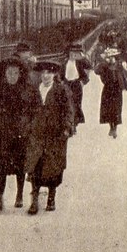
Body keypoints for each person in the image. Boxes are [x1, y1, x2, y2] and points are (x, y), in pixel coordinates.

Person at [0, 56, 38, 212]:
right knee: (1, 165)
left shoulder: (28, 89)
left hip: (21, 132)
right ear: (4, 73)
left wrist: (33, 128)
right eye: (9, 73)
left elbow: (36, 110)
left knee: (20, 164)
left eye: (15, 73)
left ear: (20, 73)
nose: (12, 76)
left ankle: (19, 195)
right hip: (3, 132)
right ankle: (0, 197)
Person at [24, 60, 75, 213]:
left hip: (55, 135)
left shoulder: (61, 90)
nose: (45, 76)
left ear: (54, 74)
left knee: (53, 166)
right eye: (43, 73)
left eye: (49, 73)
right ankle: (34, 200)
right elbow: (27, 111)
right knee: (35, 165)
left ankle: (51, 197)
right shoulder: (34, 91)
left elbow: (68, 111)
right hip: (37, 134)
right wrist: (27, 127)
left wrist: (67, 127)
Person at [96, 49, 127, 138]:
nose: (111, 59)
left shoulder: (119, 65)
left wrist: (120, 69)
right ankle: (111, 127)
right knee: (109, 109)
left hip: (117, 89)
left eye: (113, 57)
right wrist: (104, 62)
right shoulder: (105, 66)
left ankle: (115, 129)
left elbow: (125, 74)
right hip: (108, 89)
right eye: (109, 57)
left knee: (117, 109)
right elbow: (97, 71)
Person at [62, 42, 92, 134]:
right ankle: (70, 124)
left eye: (75, 53)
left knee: (76, 105)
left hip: (76, 85)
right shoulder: (65, 62)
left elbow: (89, 67)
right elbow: (60, 74)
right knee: (68, 104)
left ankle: (74, 124)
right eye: (71, 52)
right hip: (66, 85)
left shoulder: (79, 62)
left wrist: (83, 57)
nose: (73, 55)